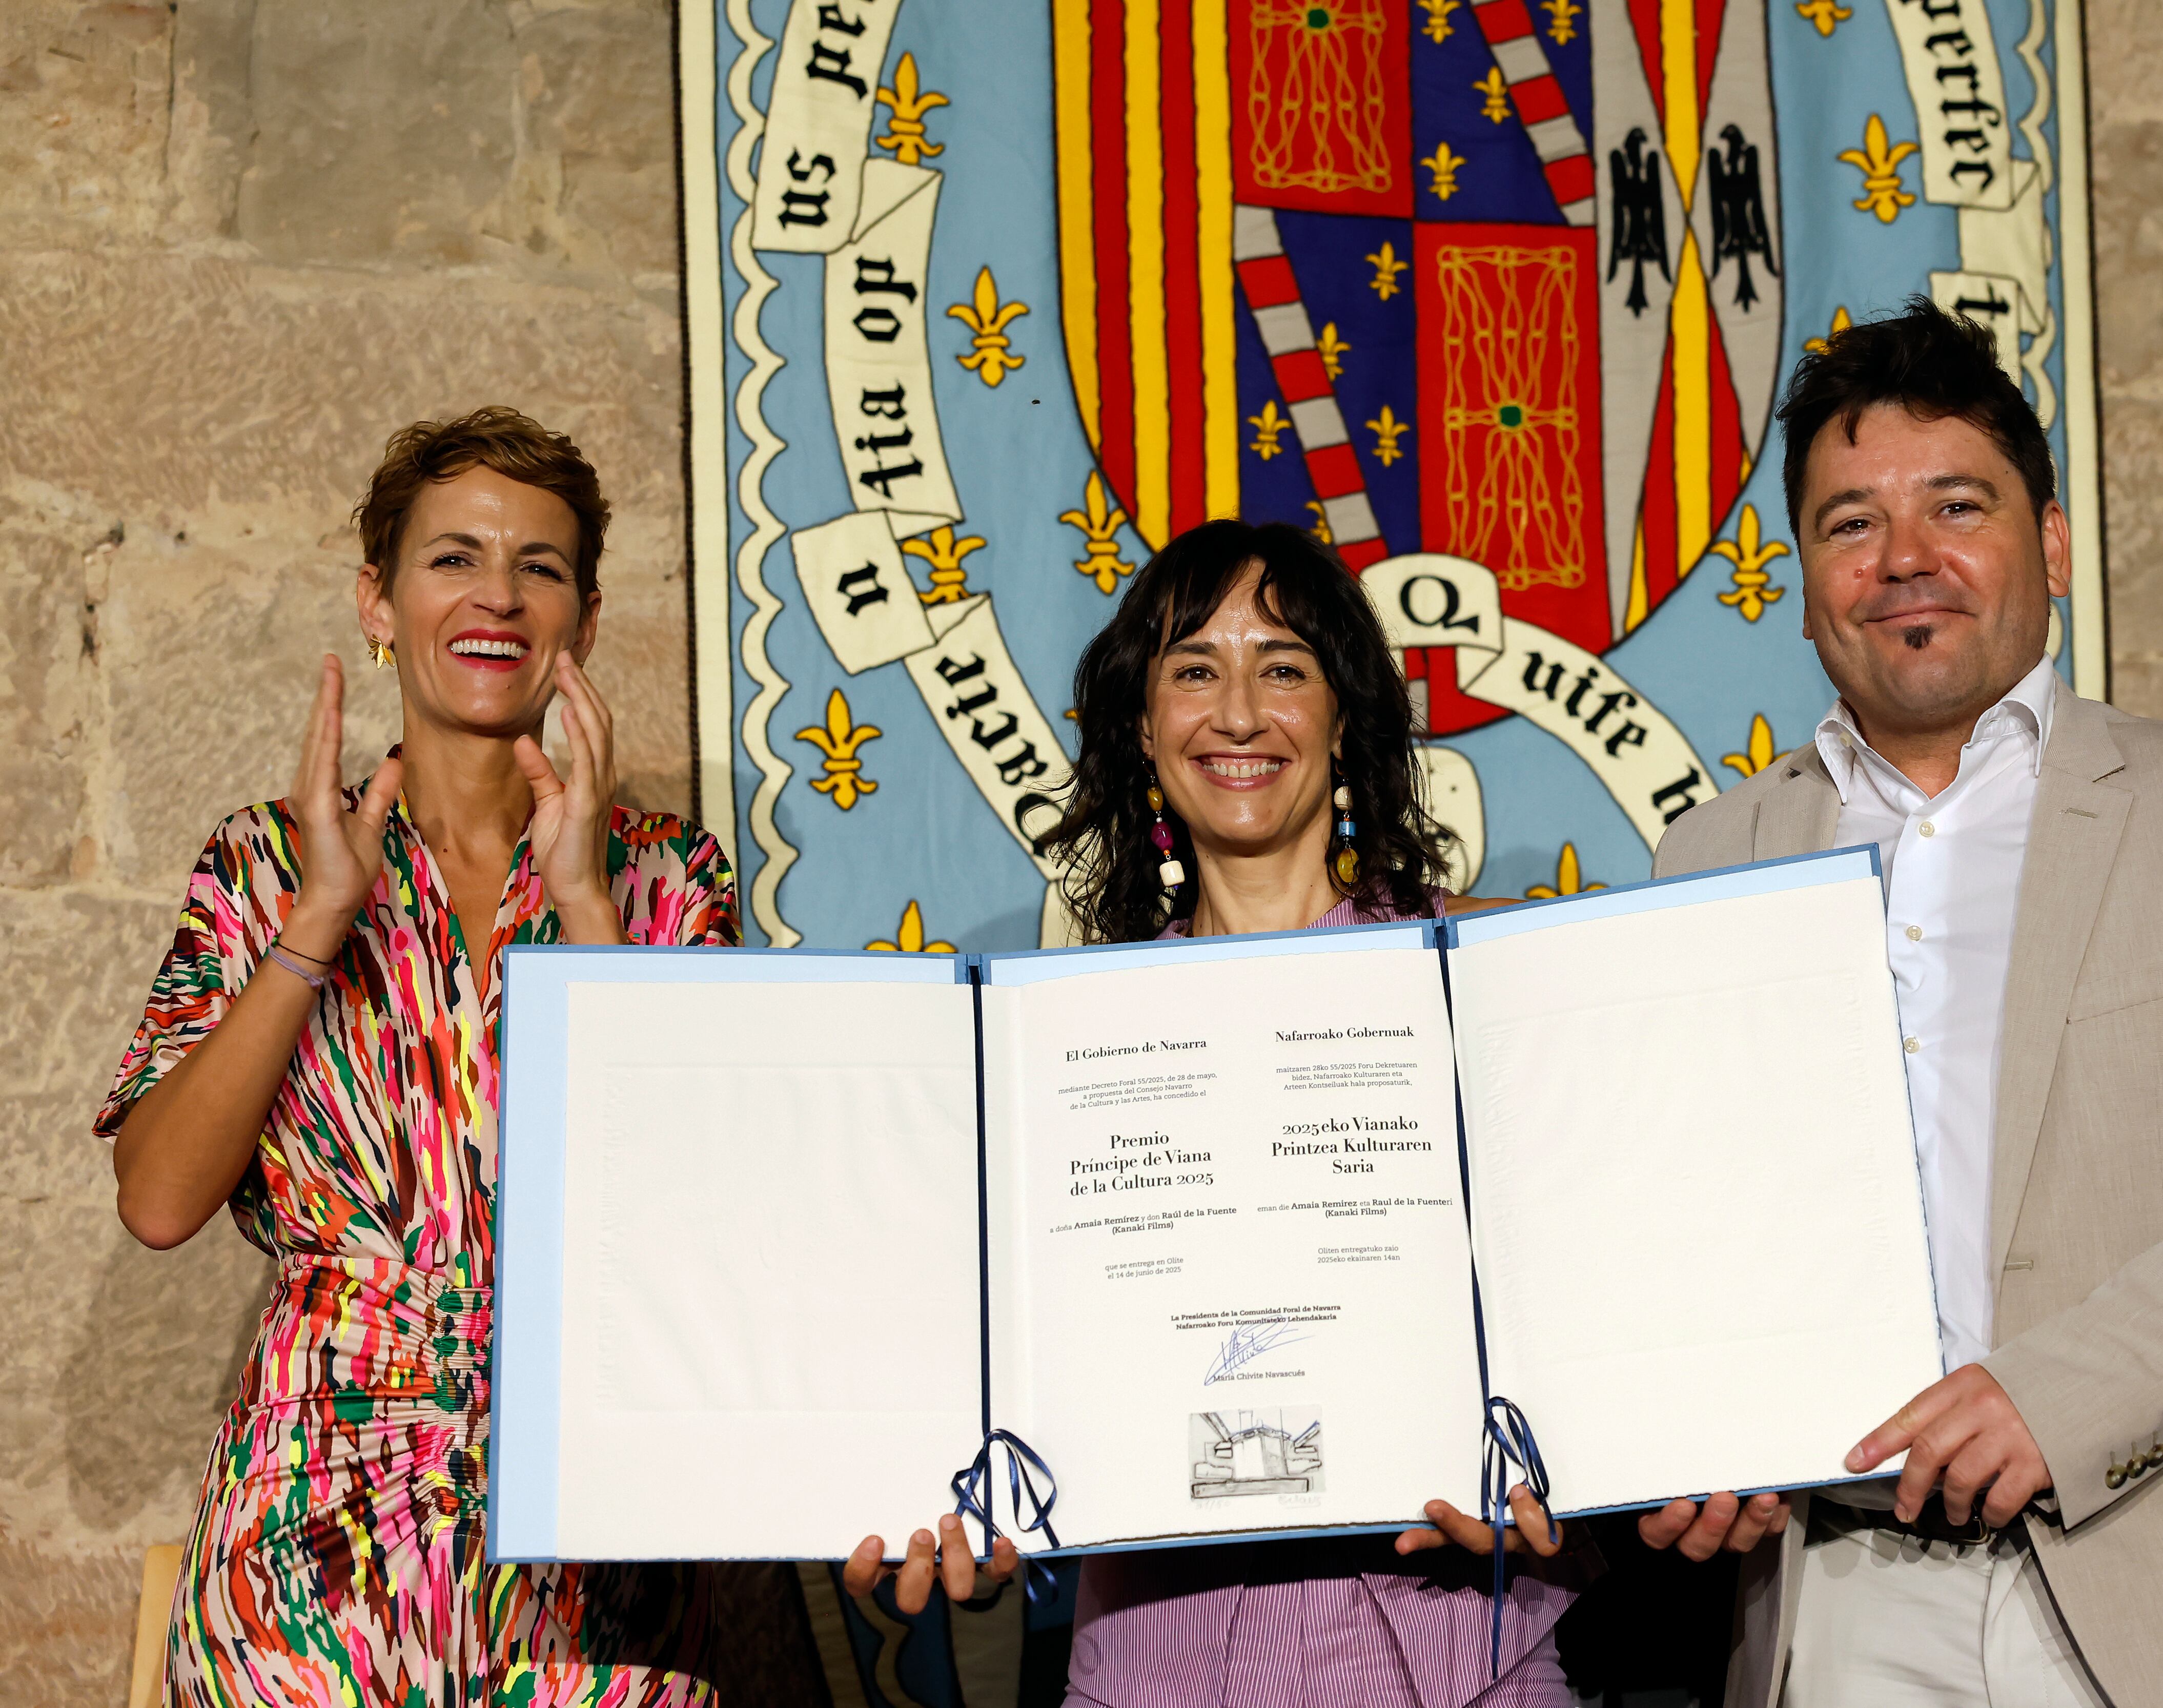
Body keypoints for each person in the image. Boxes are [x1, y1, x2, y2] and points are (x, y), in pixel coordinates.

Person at [1638, 301, 2163, 1705]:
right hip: (1836, 1598)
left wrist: (2060, 1395)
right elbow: (1672, 1217)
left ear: (2055, 543)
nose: (1904, 558)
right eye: (1850, 524)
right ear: (1802, 574)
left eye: (1956, 506)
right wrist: (1679, 1430)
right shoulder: (1707, 859)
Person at [842, 520, 1592, 1706]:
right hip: (1155, 1665)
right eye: (1194, 667)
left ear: (1344, 716)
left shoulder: (1486, 976)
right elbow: (996, 1373)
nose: (1238, 713)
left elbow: (1596, 1304)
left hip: (1460, 1655)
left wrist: (1588, 1465)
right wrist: (949, 1506)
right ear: (1143, 726)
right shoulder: (1057, 1043)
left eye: (1283, 666)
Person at [98, 408, 739, 1704]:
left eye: (541, 566)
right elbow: (160, 1198)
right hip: (301, 1560)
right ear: (377, 600)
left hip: (585, 1547)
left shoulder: (669, 877)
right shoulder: (265, 863)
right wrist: (318, 922)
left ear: (586, 620)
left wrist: (588, 917)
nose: (497, 594)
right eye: (453, 557)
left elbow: (707, 1233)